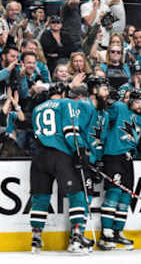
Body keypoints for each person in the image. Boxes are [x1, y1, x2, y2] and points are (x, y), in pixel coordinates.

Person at [30, 82, 90, 253]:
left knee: (40, 197)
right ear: (64, 93)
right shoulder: (67, 103)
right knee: (76, 192)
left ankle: (36, 237)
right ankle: (77, 235)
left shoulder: (37, 108)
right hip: (60, 155)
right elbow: (70, 132)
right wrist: (80, 152)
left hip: (39, 156)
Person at [98, 88, 141, 250]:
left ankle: (118, 231)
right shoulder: (119, 107)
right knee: (114, 192)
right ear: (130, 101)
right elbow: (105, 115)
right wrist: (108, 102)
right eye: (137, 102)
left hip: (127, 160)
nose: (140, 105)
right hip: (113, 156)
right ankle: (106, 233)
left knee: (126, 195)